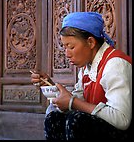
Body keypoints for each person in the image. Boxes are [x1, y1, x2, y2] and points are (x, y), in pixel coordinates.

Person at [31, 12, 132, 141]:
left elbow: (122, 119)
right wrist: (52, 88)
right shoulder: (87, 67)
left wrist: (73, 102)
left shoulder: (115, 64)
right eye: (64, 47)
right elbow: (77, 99)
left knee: (77, 121)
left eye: (71, 47)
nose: (67, 54)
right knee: (53, 118)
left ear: (90, 42)